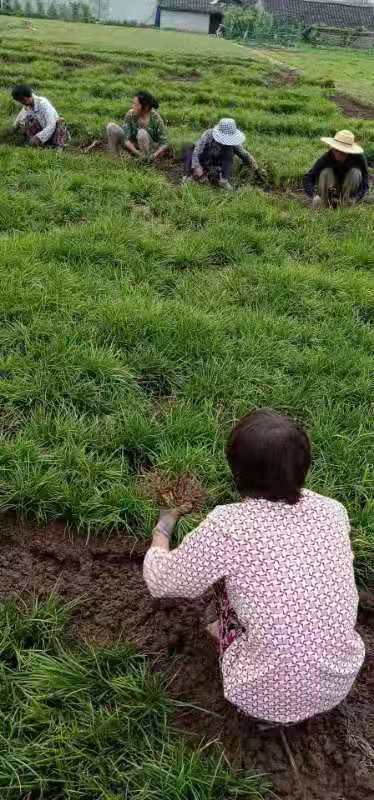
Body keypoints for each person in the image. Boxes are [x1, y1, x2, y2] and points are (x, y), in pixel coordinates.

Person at [143, 409, 364, 725]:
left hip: (258, 693)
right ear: (304, 467)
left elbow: (163, 581)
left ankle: (227, 635)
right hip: (336, 681)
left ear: (237, 473)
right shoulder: (332, 511)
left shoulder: (229, 526)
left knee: (221, 574)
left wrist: (162, 530)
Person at [182, 118, 262, 191]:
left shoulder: (232, 143)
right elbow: (197, 151)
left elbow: (244, 154)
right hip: (205, 157)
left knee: (229, 151)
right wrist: (197, 166)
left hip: (217, 162)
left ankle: (223, 180)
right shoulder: (208, 135)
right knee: (189, 149)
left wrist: (255, 167)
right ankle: (188, 176)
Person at [303, 129, 369, 208]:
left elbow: (365, 182)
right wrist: (313, 196)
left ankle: (346, 205)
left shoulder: (359, 158)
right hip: (331, 188)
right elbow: (309, 177)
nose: (338, 154)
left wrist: (356, 198)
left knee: (356, 172)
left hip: (349, 190)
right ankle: (325, 203)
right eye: (336, 150)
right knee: (326, 172)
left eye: (342, 152)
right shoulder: (327, 157)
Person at [106, 91, 169, 160]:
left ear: (145, 107)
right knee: (111, 127)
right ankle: (115, 159)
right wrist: (137, 153)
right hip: (133, 148)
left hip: (149, 150)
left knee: (142, 133)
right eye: (133, 104)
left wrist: (154, 155)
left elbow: (164, 143)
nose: (133, 107)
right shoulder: (130, 114)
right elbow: (125, 139)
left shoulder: (156, 119)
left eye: (136, 105)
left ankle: (145, 162)